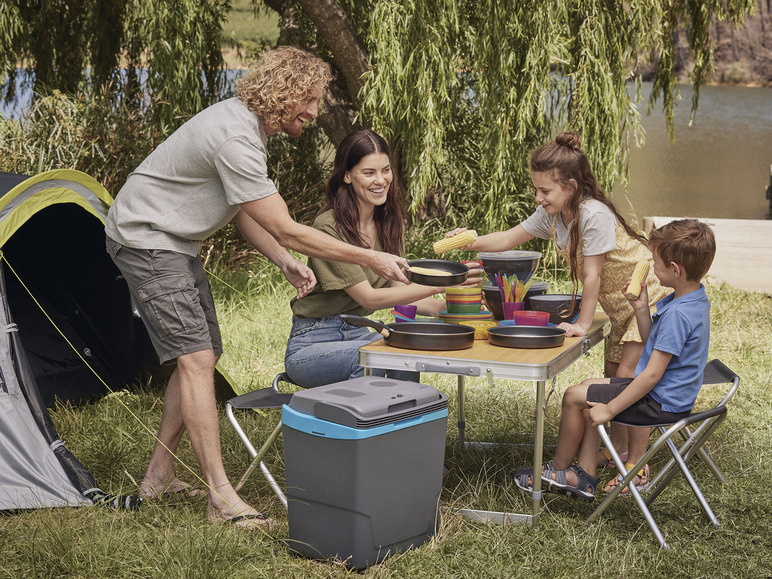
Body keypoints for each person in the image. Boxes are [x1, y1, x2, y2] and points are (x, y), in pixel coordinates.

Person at [104, 47, 412, 528]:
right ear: (283, 94)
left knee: (201, 357)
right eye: (308, 100)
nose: (313, 111)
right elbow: (288, 226)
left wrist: (284, 261)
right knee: (196, 359)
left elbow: (249, 213)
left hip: (174, 242)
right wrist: (369, 256)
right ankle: (221, 497)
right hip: (146, 238)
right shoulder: (235, 138)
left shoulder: (246, 129)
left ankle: (158, 476)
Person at [443, 131, 671, 490]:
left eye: (545, 191)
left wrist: (582, 323)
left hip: (645, 300)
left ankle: (636, 468)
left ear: (570, 185)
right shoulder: (553, 215)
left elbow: (593, 275)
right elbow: (506, 238)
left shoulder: (592, 214)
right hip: (621, 309)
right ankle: (615, 453)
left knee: (628, 384)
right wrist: (469, 240)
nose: (538, 197)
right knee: (613, 378)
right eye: (536, 189)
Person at [512, 219, 716, 500]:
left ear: (675, 269)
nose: (651, 268)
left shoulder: (678, 315)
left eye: (655, 262)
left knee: (574, 396)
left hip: (658, 402)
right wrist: (642, 309)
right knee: (588, 386)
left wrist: (610, 410)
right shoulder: (690, 301)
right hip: (671, 397)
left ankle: (560, 470)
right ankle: (583, 476)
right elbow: (654, 341)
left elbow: (651, 375)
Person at [284, 129, 482, 387]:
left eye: (385, 170)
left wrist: (464, 309)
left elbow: (401, 292)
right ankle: (367, 424)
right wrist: (444, 282)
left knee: (403, 350)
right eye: (369, 172)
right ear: (346, 175)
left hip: (360, 332)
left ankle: (404, 422)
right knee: (376, 357)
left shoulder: (388, 222)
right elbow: (370, 298)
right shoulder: (328, 227)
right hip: (313, 342)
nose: (381, 180)